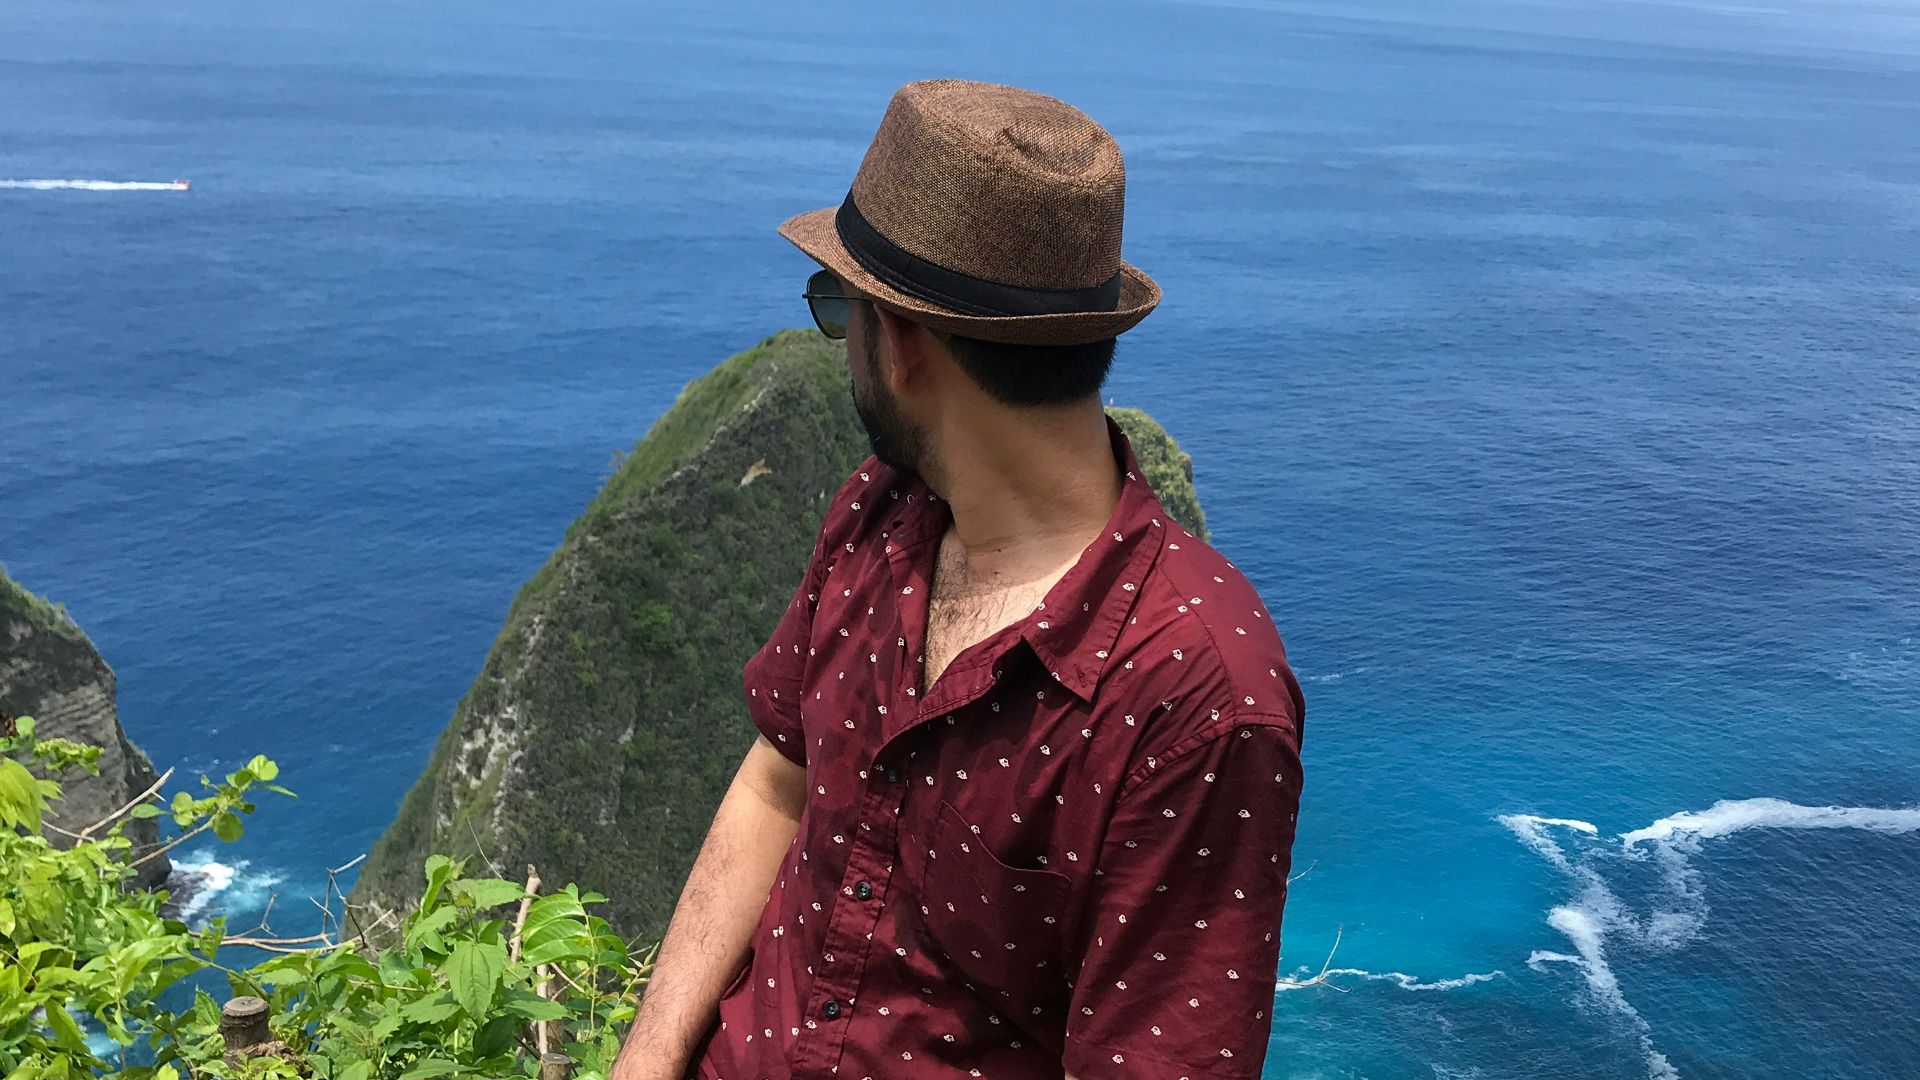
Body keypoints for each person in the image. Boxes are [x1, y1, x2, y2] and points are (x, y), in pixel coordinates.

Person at [611, 79, 1305, 1080]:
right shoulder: (879, 514)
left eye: (836, 307)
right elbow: (777, 779)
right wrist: (646, 1060)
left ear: (898, 348)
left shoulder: (1196, 695)